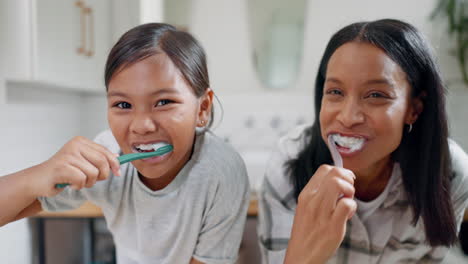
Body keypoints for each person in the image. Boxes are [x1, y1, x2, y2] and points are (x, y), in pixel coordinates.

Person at [0, 23, 250, 264]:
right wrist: (39, 174)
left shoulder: (222, 172)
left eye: (164, 102)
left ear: (202, 108)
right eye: (123, 105)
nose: (142, 125)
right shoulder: (106, 156)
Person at [258, 18, 468, 263]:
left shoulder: (450, 174)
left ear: (414, 108)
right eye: (335, 92)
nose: (348, 118)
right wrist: (308, 251)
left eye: (376, 95)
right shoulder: (289, 161)